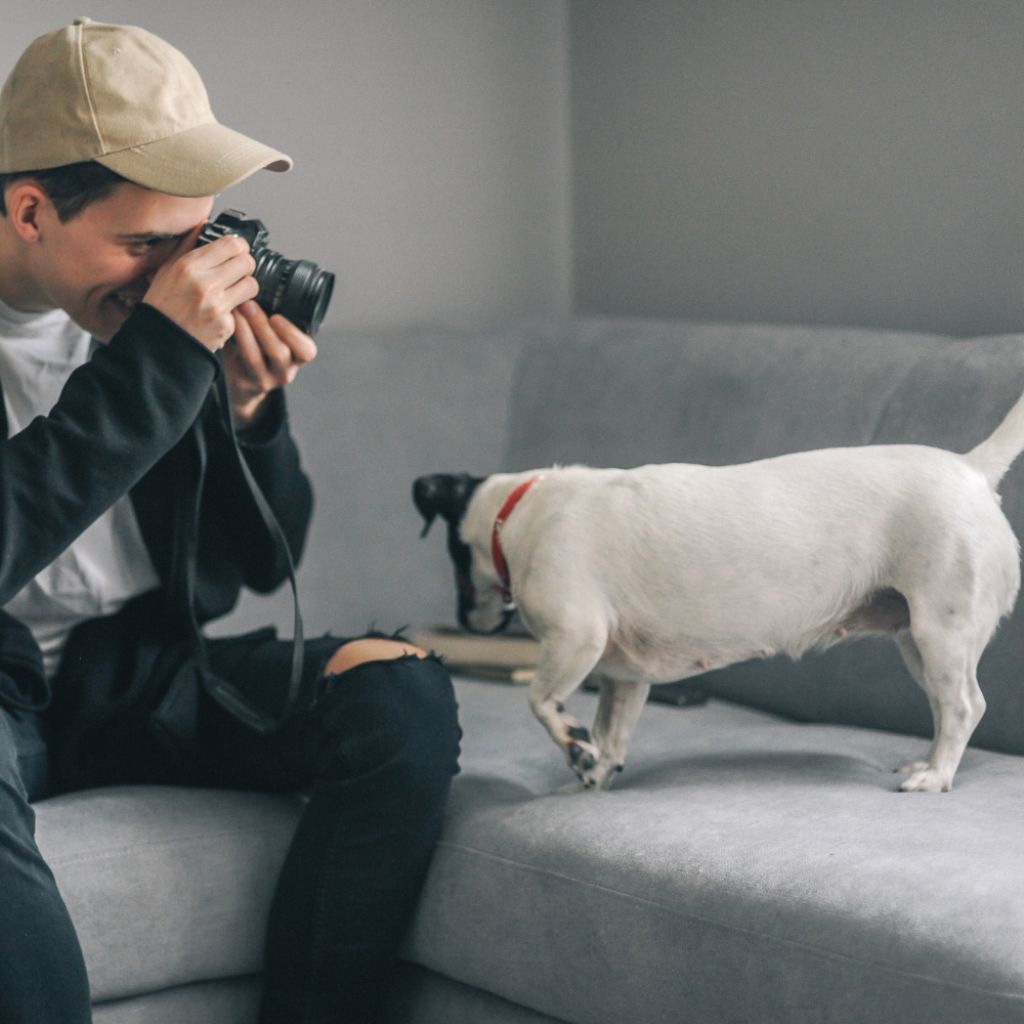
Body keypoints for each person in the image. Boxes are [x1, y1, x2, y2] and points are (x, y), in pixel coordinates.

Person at [0, 17, 460, 1024]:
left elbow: (261, 561)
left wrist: (247, 416)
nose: (175, 276)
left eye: (194, 237)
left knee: (400, 694)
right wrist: (160, 364)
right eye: (144, 245)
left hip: (128, 670)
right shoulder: (153, 338)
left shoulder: (140, 322)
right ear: (30, 209)